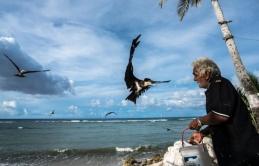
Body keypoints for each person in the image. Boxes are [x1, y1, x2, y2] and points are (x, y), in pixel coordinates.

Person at [188, 57, 259, 166]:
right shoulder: (215, 87)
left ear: (207, 74)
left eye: (195, 74)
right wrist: (203, 133)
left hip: (241, 154)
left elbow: (221, 115)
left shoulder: (219, 84)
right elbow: (221, 120)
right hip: (235, 153)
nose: (194, 79)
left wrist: (199, 121)